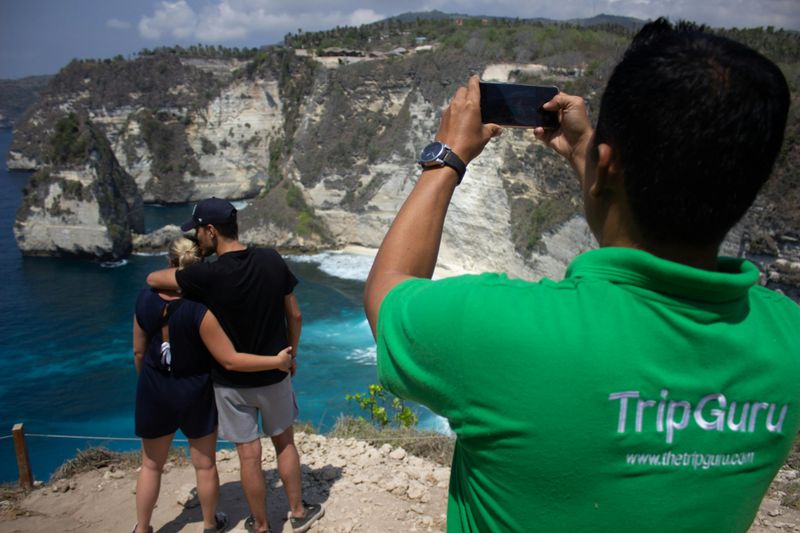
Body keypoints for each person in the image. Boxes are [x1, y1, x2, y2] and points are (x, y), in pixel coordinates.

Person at [364, 18, 800, 532]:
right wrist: (589, 156)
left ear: (608, 167)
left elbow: (389, 294)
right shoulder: (786, 337)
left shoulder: (500, 330)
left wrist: (447, 157)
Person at [146, 199, 323, 533]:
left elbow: (154, 279)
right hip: (274, 372)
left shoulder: (205, 276)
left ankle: (261, 525)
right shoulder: (271, 259)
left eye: (198, 231)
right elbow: (295, 314)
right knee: (284, 442)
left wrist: (183, 272)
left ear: (212, 231)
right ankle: (299, 512)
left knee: (249, 455)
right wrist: (291, 356)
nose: (197, 238)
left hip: (231, 382)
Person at [133, 237, 295, 533]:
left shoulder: (145, 298)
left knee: (151, 465)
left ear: (169, 262)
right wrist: (277, 362)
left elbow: (139, 351)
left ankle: (142, 528)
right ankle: (210, 524)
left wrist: (148, 381)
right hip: (195, 390)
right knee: (204, 464)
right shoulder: (200, 307)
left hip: (154, 389)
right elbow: (227, 358)